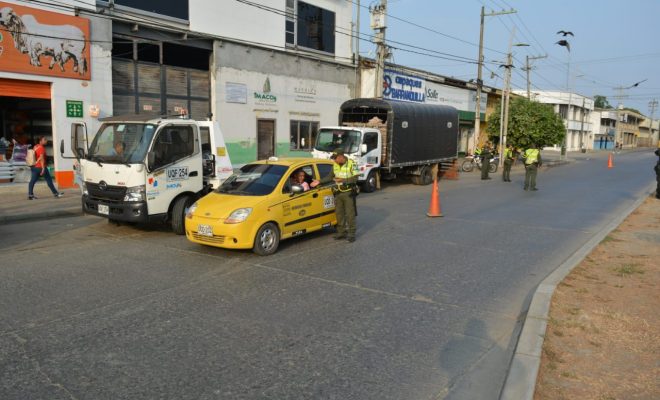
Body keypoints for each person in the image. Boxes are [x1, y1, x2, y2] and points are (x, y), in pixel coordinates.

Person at [311, 149, 358, 242]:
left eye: (335, 158)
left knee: (350, 214)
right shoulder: (335, 165)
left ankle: (351, 234)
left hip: (348, 192)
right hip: (337, 192)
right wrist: (319, 181)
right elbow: (330, 177)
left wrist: (343, 180)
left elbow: (355, 178)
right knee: (339, 214)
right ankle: (341, 232)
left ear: (341, 157)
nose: (334, 160)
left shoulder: (352, 163)